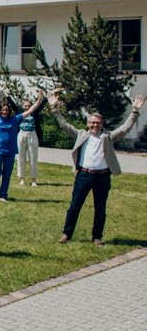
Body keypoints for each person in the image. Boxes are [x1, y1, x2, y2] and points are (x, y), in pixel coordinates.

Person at [50, 92, 144, 246]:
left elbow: (125, 129)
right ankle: (67, 234)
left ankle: (97, 237)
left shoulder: (108, 136)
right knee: (74, 207)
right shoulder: (81, 134)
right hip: (83, 176)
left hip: (102, 177)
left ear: (102, 124)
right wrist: (54, 108)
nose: (95, 125)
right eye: (92, 123)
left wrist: (135, 111)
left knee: (100, 209)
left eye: (98, 123)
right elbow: (64, 125)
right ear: (88, 124)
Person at [0, 93, 44, 202]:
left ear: (9, 111)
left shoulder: (15, 119)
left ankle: (3, 195)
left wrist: (39, 100)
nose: (4, 112)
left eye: (6, 110)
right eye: (2, 110)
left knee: (7, 175)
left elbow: (30, 111)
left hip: (10, 152)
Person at [14, 94, 46, 186]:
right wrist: (6, 94)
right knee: (20, 157)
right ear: (22, 106)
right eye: (25, 105)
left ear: (31, 106)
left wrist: (46, 97)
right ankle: (22, 178)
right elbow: (11, 104)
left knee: (33, 157)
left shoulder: (35, 112)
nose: (27, 107)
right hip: (21, 134)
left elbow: (42, 104)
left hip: (32, 134)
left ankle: (33, 179)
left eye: (28, 105)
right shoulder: (19, 112)